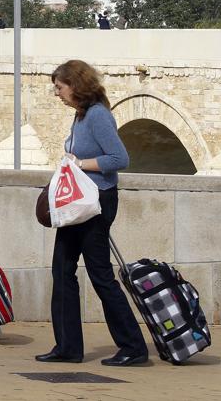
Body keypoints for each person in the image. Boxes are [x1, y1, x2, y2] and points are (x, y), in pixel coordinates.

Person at [39, 60, 147, 367]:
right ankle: (68, 347)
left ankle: (133, 347)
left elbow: (119, 158)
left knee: (100, 275)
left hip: (96, 203)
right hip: (79, 203)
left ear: (75, 85)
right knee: (62, 270)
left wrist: (79, 164)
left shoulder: (98, 115)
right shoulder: (81, 114)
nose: (57, 94)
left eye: (59, 87)